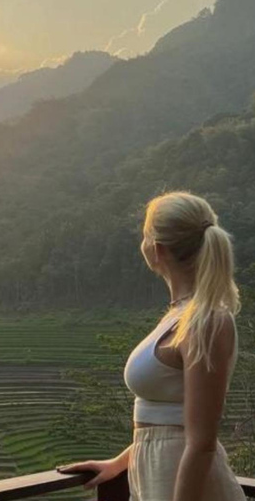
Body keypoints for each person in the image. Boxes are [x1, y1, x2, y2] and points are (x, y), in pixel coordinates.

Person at [56, 191, 245, 500]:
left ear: (156, 249)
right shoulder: (180, 315)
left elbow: (200, 441)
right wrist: (120, 462)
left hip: (187, 486)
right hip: (158, 475)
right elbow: (163, 423)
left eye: (144, 235)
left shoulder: (206, 319)